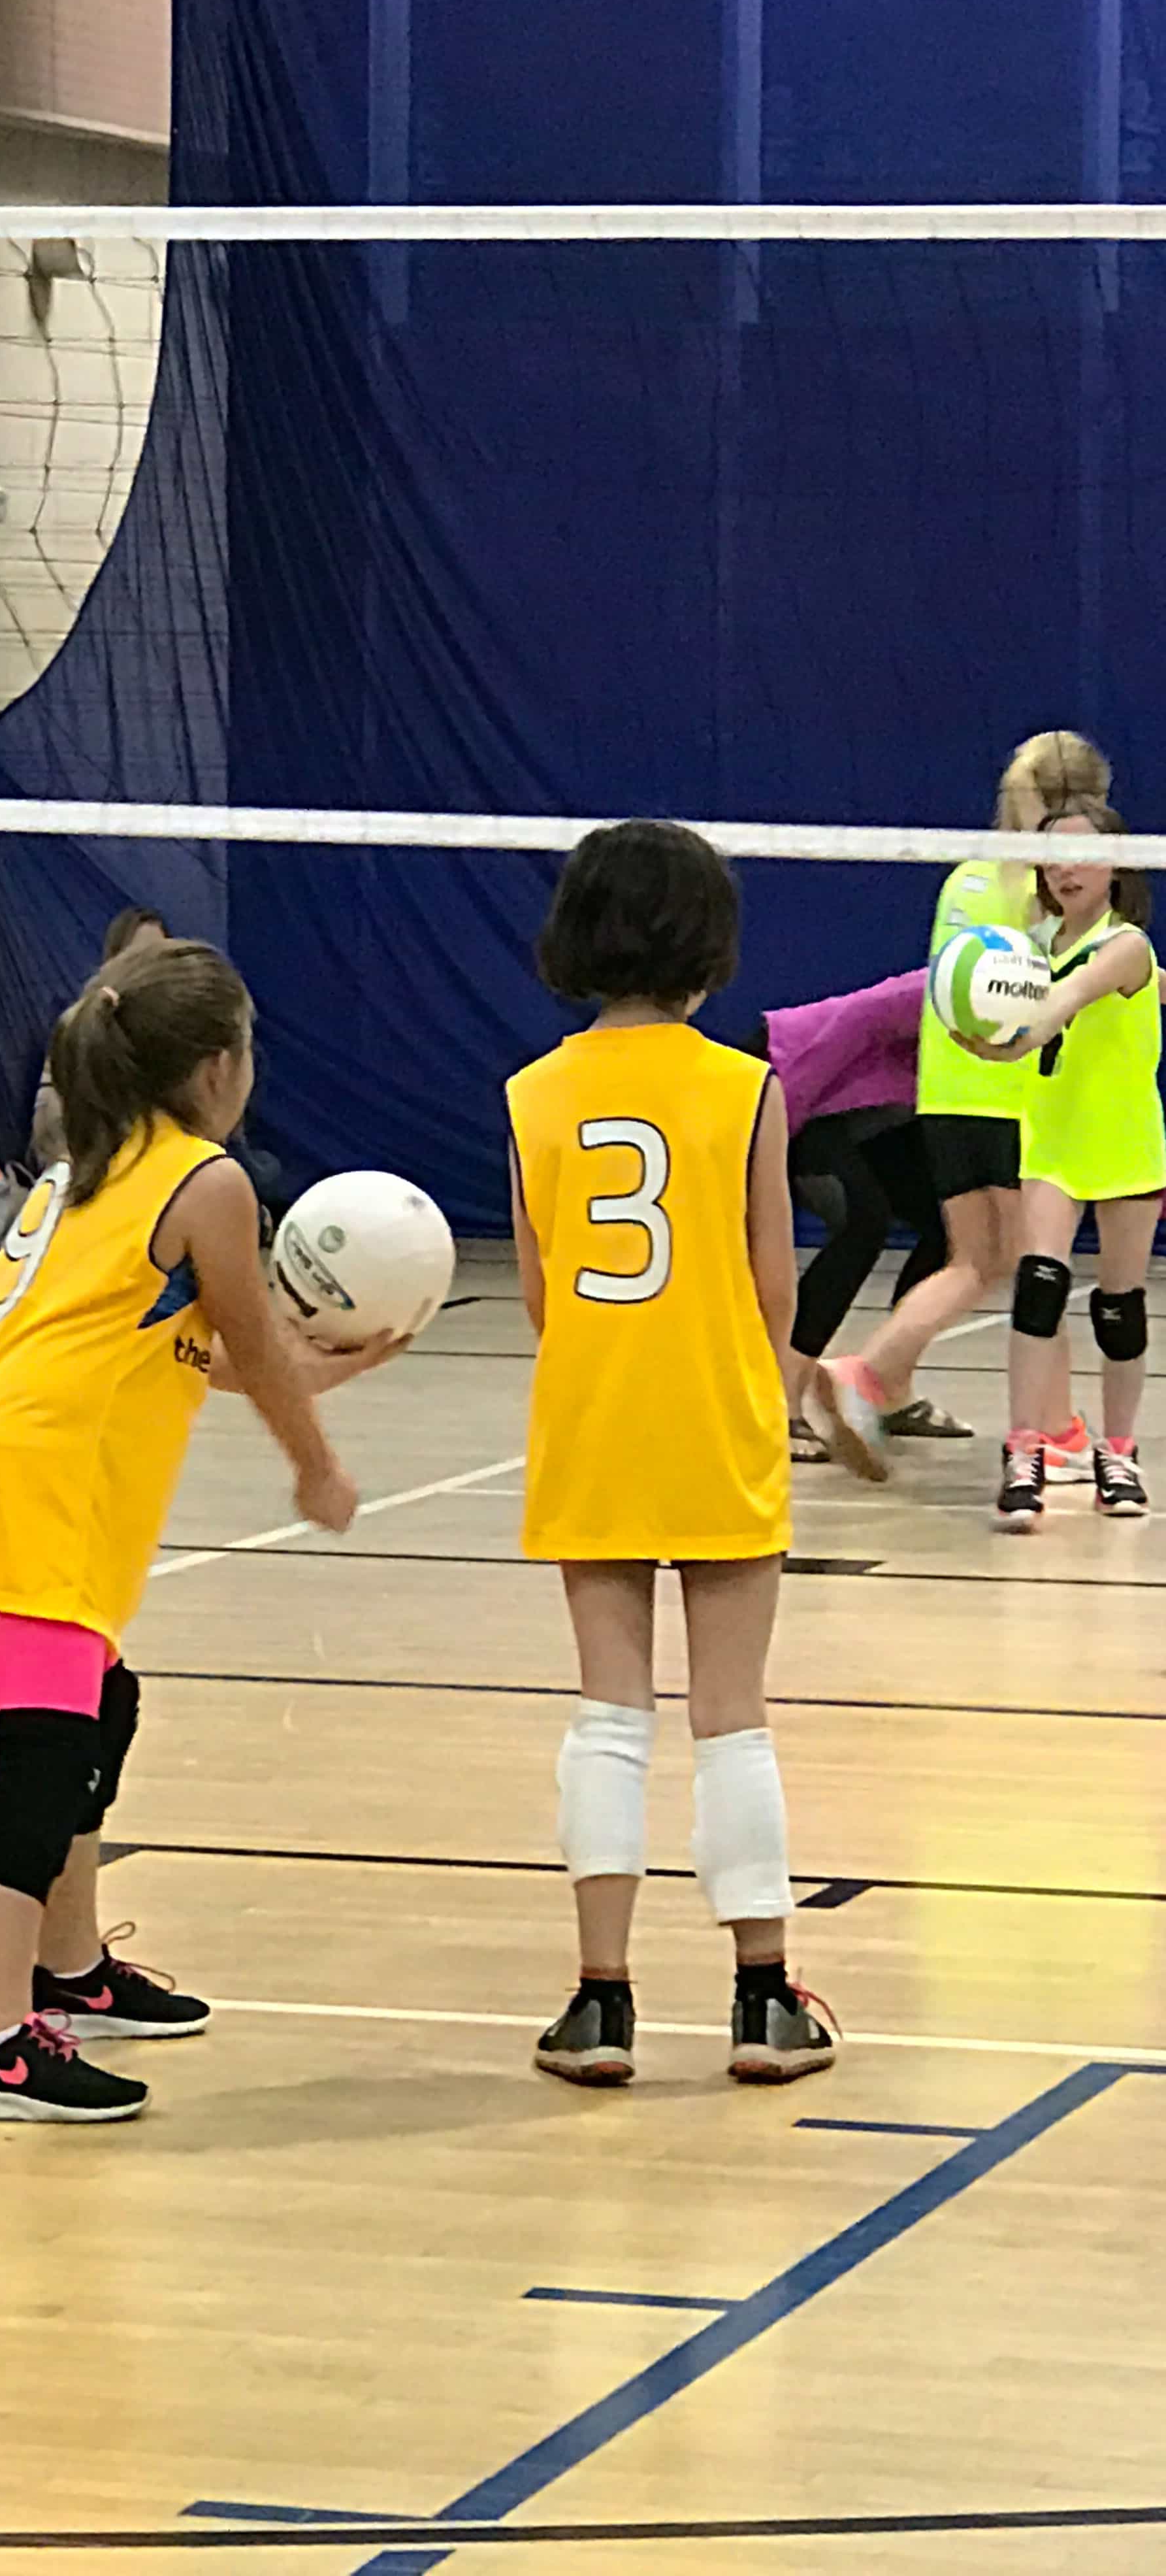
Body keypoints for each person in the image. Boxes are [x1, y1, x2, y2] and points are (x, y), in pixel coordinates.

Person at [0, 937, 393, 2123]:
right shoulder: (205, 1181)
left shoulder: (95, 1162)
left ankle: (67, 1970)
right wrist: (316, 1465)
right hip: (42, 1472)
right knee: (38, 1758)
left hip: (14, 1451)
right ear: (222, 1065)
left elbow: (187, 1344)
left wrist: (314, 1375)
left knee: (103, 1709)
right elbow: (249, 1343)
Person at [506, 819, 836, 2089]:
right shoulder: (747, 1087)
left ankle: (600, 2005)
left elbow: (542, 1295)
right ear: (707, 944)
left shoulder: (532, 1096)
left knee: (608, 1714)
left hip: (592, 1421)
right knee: (732, 1720)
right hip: (717, 1420)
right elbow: (770, 1289)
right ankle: (763, 1999)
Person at [814, 729, 1110, 1483]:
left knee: (979, 1261)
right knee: (1034, 1260)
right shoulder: (1057, 885)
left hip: (947, 1097)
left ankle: (866, 1376)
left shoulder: (968, 875)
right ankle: (1055, 1433)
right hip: (1015, 1097)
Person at [971, 804, 1164, 1531]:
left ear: (1117, 862)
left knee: (1119, 1307)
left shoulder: (1127, 947)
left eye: (1082, 854)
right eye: (1051, 856)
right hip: (1052, 1142)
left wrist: (1012, 1036)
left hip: (1125, 1142)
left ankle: (1120, 1450)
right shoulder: (1031, 947)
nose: (1065, 868)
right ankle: (1025, 1452)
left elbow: (1069, 998)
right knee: (1038, 1285)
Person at [747, 972, 965, 1460]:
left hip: (871, 1114)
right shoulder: (952, 987)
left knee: (951, 1225)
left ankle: (890, 1387)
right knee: (862, 1224)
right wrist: (770, 1130)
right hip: (792, 1079)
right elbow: (857, 1018)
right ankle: (777, 1404)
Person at [29, 905, 169, 1168]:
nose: (151, 965)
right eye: (139, 955)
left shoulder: (172, 1026)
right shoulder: (83, 1024)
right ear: (115, 960)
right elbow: (49, 1128)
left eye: (159, 955)